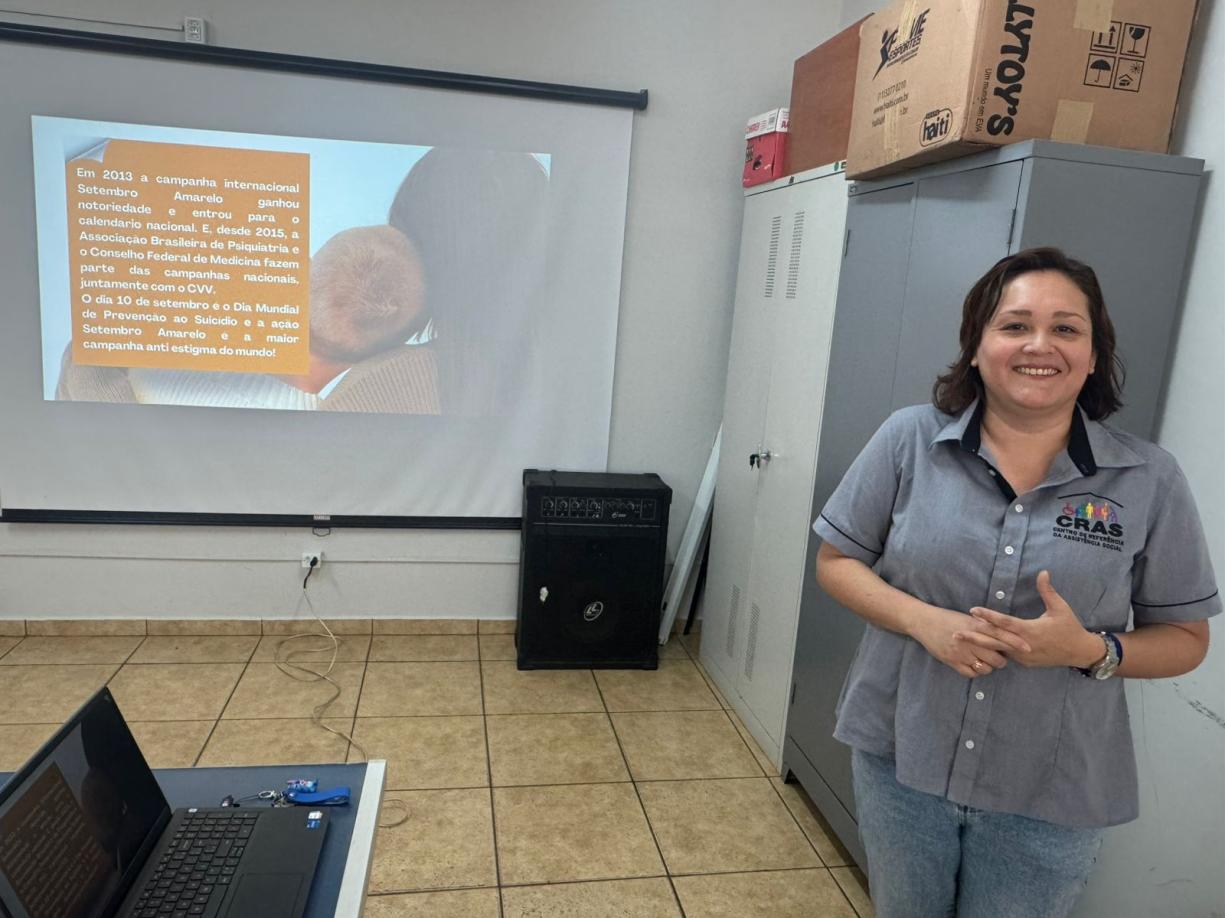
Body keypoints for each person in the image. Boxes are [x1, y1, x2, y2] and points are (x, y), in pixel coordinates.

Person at [812, 247, 1219, 918]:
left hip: (1051, 789)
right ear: (976, 347)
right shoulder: (908, 439)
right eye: (1014, 325)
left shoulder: (1148, 478)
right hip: (903, 758)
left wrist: (1090, 650)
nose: (1039, 345)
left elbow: (1185, 639)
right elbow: (836, 563)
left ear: (1093, 355)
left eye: (1066, 328)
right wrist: (923, 621)